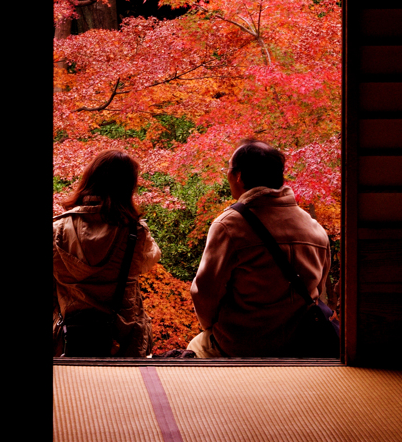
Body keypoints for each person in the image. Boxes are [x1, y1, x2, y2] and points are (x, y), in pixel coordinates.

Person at [186, 138, 331, 358]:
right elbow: (319, 291)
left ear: (239, 176)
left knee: (195, 348)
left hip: (242, 344)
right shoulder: (314, 229)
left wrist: (212, 327)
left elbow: (205, 292)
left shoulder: (229, 225)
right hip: (301, 343)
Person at [53, 150, 161, 357]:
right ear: (127, 188)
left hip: (68, 339)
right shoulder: (134, 232)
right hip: (123, 339)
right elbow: (150, 260)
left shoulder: (56, 230)